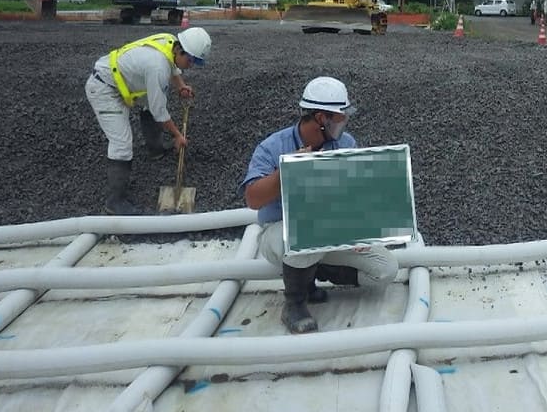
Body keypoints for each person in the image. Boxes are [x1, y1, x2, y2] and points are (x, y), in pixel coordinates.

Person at [241, 76, 399, 334]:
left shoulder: (345, 143)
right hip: (279, 233)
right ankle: (295, 303)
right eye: (339, 116)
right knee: (307, 232)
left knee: (384, 270)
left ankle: (310, 275)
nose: (343, 121)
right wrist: (287, 170)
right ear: (320, 118)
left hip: (329, 229)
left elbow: (353, 194)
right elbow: (253, 199)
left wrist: (359, 229)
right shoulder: (273, 147)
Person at [85, 27, 212, 215]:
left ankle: (156, 150)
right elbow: (159, 112)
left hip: (123, 79)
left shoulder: (169, 42)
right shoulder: (157, 67)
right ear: (180, 50)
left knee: (153, 100)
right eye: (191, 60)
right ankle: (114, 202)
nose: (191, 65)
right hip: (105, 88)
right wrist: (178, 136)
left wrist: (181, 85)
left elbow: (173, 67)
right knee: (122, 144)